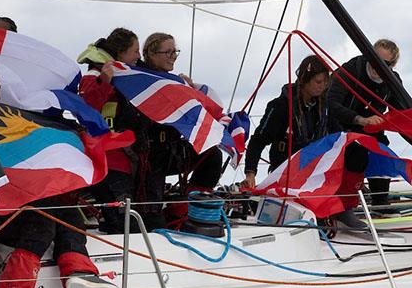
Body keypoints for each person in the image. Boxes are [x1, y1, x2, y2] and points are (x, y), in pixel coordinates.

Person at [0, 63, 119, 288]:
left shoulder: (8, 111)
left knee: (63, 209)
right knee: (42, 220)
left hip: (15, 206)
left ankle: (78, 270)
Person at [241, 55, 382, 228]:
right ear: (304, 80)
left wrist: (358, 134)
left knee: (355, 150)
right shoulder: (281, 106)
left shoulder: (323, 106)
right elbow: (258, 141)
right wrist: (250, 173)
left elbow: (338, 133)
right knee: (316, 219)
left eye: (325, 83)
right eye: (318, 82)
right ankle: (320, 210)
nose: (323, 87)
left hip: (316, 168)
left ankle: (345, 206)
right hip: (289, 168)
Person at [139, 32, 224, 229]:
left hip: (171, 151)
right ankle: (156, 223)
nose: (173, 56)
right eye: (167, 52)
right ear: (151, 54)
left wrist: (186, 89)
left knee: (212, 155)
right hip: (149, 154)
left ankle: (187, 206)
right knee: (152, 209)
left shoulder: (174, 82)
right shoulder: (140, 80)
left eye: (175, 51)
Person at [77, 28, 142, 233]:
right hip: (108, 158)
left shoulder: (129, 75)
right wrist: (105, 81)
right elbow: (86, 108)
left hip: (122, 156)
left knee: (121, 217)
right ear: (121, 52)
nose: (138, 56)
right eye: (135, 51)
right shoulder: (95, 75)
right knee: (123, 221)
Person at [326, 39, 402, 207]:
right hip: (341, 127)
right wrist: (359, 119)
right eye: (374, 59)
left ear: (392, 65)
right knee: (357, 152)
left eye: (384, 64)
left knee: (383, 152)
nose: (377, 66)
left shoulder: (392, 82)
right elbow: (331, 103)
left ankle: (380, 201)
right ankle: (346, 205)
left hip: (372, 129)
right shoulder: (351, 71)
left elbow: (402, 113)